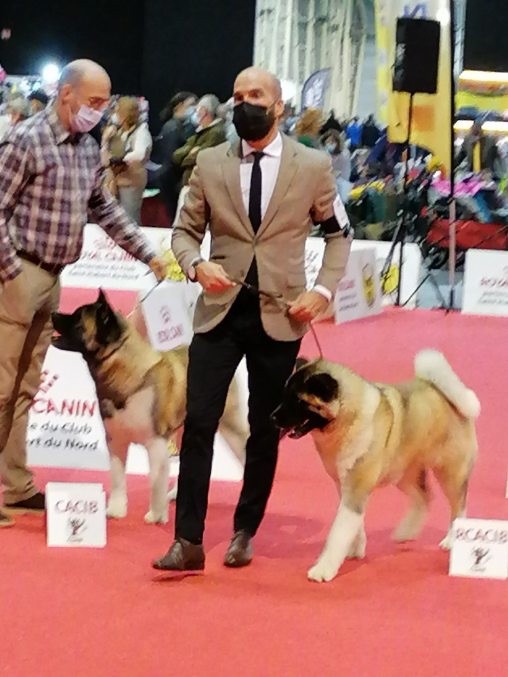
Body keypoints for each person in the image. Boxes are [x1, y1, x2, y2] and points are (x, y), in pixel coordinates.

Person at [153, 66, 352, 572]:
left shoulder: (313, 166)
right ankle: (187, 541)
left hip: (281, 316)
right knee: (199, 422)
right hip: (217, 315)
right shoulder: (209, 162)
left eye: (256, 95)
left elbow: (339, 233)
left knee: (265, 428)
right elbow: (182, 233)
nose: (245, 104)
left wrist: (322, 292)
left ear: (279, 106)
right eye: (238, 96)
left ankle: (245, 529)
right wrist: (196, 265)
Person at [0, 59, 166, 528]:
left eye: (105, 103)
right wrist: (11, 272)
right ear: (66, 93)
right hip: (18, 274)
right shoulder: (26, 140)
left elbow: (103, 208)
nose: (100, 110)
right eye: (94, 101)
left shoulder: (88, 147)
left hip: (53, 278)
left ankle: (16, 484)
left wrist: (147, 253)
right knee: (1, 386)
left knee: (26, 387)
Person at [101, 96, 153, 223]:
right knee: (112, 218)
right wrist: (105, 140)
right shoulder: (116, 131)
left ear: (125, 114)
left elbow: (139, 154)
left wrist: (121, 159)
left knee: (129, 217)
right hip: (114, 180)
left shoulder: (141, 131)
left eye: (117, 111)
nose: (114, 114)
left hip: (132, 181)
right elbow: (104, 158)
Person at [152, 91, 198, 220]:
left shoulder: (181, 126)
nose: (195, 108)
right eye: (191, 104)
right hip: (171, 179)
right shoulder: (172, 127)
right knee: (176, 218)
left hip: (171, 177)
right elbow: (172, 156)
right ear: (179, 105)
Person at [173, 94, 226, 189]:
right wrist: (191, 150)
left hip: (202, 183)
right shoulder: (199, 131)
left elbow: (200, 157)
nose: (196, 112)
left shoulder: (216, 132)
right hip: (190, 181)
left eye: (198, 108)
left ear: (204, 111)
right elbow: (176, 156)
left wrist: (188, 156)